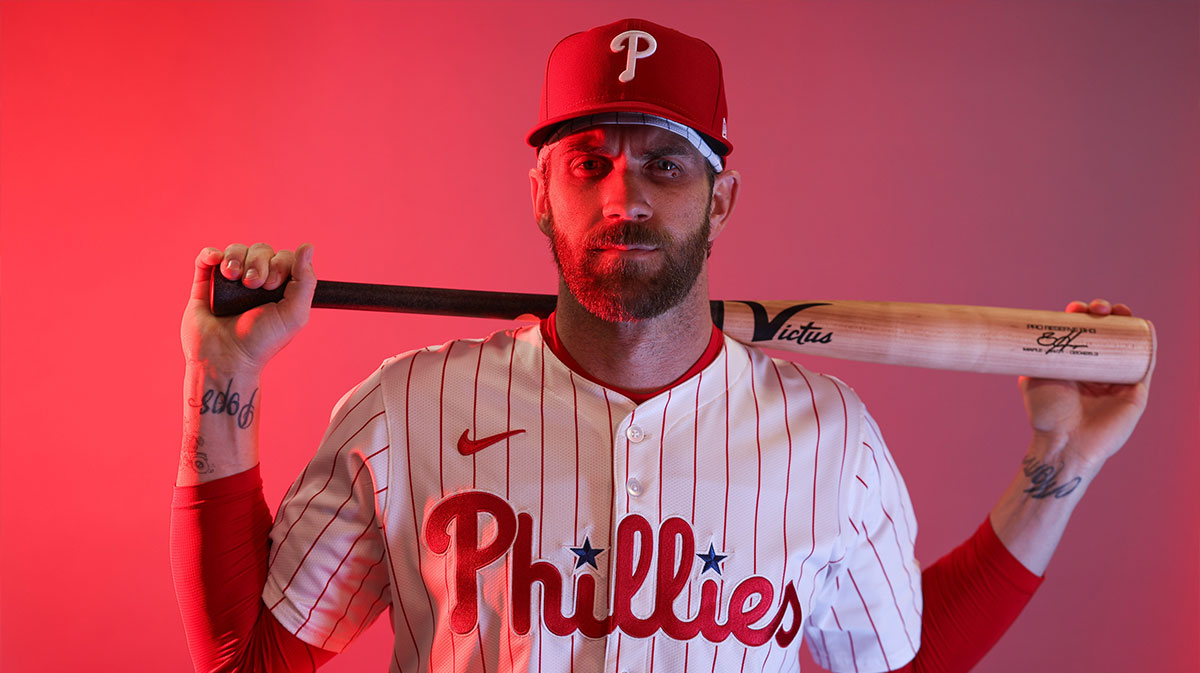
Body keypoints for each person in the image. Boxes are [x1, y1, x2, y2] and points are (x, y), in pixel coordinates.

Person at [171, 18, 1151, 673]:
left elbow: (899, 659)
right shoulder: (405, 410)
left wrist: (1056, 466)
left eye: (666, 163)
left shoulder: (829, 439)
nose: (624, 197)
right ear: (539, 196)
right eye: (589, 161)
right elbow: (250, 659)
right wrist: (223, 383)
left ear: (721, 199)